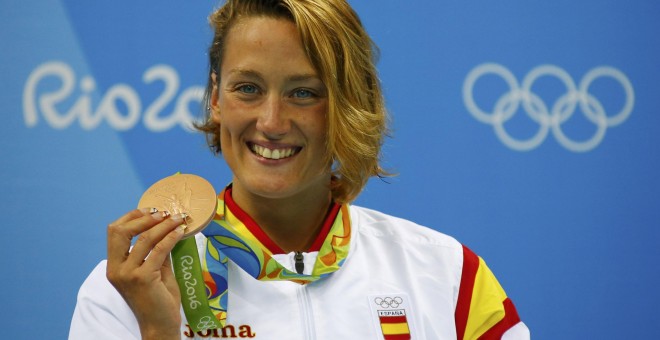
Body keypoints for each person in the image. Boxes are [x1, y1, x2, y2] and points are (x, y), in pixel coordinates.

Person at [69, 0, 530, 339]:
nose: (271, 122)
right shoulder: (130, 288)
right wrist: (156, 330)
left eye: (304, 92)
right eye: (247, 88)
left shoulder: (448, 276)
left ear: (350, 105)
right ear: (215, 99)